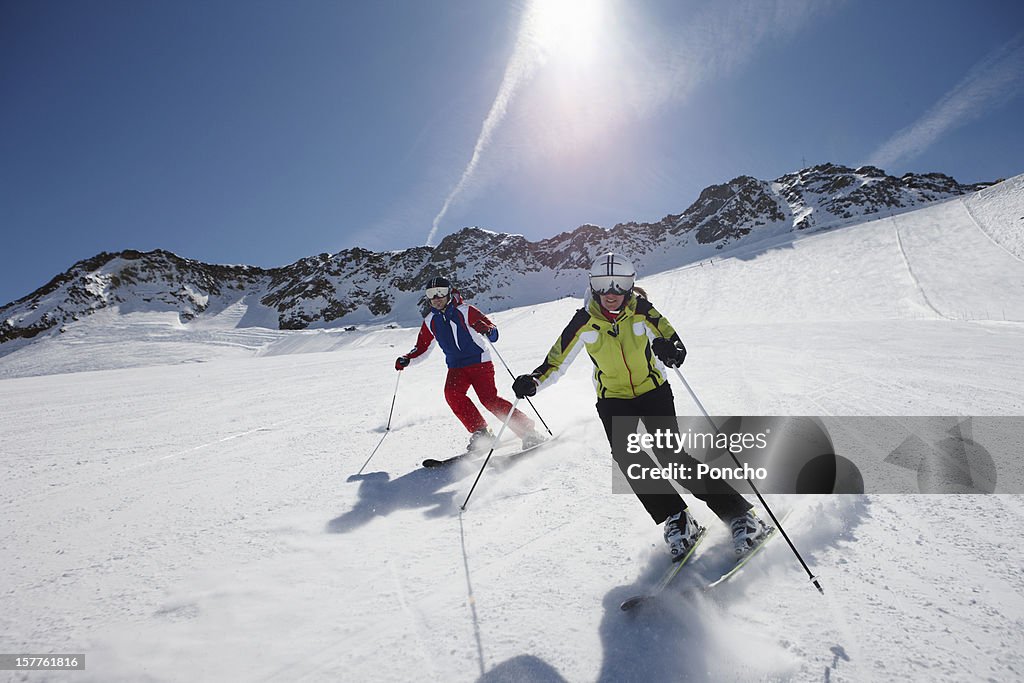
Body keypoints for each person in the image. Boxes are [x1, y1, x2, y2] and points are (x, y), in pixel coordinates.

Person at [511, 253, 770, 560]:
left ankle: (741, 515)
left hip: (653, 392)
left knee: (671, 455)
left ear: (629, 285)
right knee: (628, 458)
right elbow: (555, 361)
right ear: (592, 286)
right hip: (612, 400)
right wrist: (533, 382)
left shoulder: (642, 311)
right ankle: (677, 518)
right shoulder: (584, 320)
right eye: (603, 284)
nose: (611, 291)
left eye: (618, 284)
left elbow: (674, 343)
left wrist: (668, 350)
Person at [396, 276, 546, 452]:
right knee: (452, 394)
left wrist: (487, 330)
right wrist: (407, 359)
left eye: (441, 292)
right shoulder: (430, 321)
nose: (436, 297)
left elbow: (494, 333)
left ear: (449, 292)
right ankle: (481, 433)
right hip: (456, 367)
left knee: (489, 399)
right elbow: (422, 347)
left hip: (479, 362)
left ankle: (529, 432)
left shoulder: (466, 311)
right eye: (431, 294)